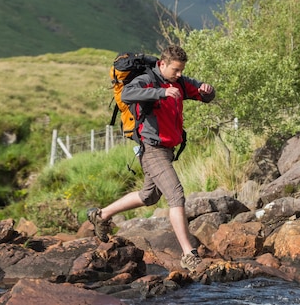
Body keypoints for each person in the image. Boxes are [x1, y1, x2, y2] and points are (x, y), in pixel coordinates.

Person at [87, 45, 215, 272]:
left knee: (149, 196)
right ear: (162, 64)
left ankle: (101, 215)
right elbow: (127, 95)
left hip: (167, 150)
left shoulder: (180, 82)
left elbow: (205, 95)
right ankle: (189, 254)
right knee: (176, 194)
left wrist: (207, 90)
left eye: (181, 70)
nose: (179, 75)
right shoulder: (147, 80)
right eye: (175, 70)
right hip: (151, 149)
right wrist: (161, 92)